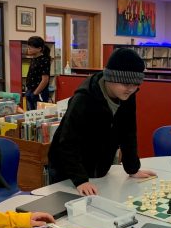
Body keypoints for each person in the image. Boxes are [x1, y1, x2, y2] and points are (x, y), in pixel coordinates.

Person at [48, 48, 156, 196]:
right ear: (110, 77)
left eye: (136, 84)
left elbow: (128, 133)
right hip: (67, 173)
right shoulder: (84, 99)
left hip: (98, 171)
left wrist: (132, 169)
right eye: (125, 83)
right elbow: (67, 142)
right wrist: (80, 180)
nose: (131, 89)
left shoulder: (128, 95)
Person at [25, 36, 51, 110]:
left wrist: (35, 93)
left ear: (39, 49)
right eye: (28, 46)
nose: (28, 49)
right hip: (30, 91)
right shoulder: (34, 58)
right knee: (30, 116)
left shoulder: (44, 60)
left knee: (39, 117)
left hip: (39, 93)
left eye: (31, 47)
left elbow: (45, 80)